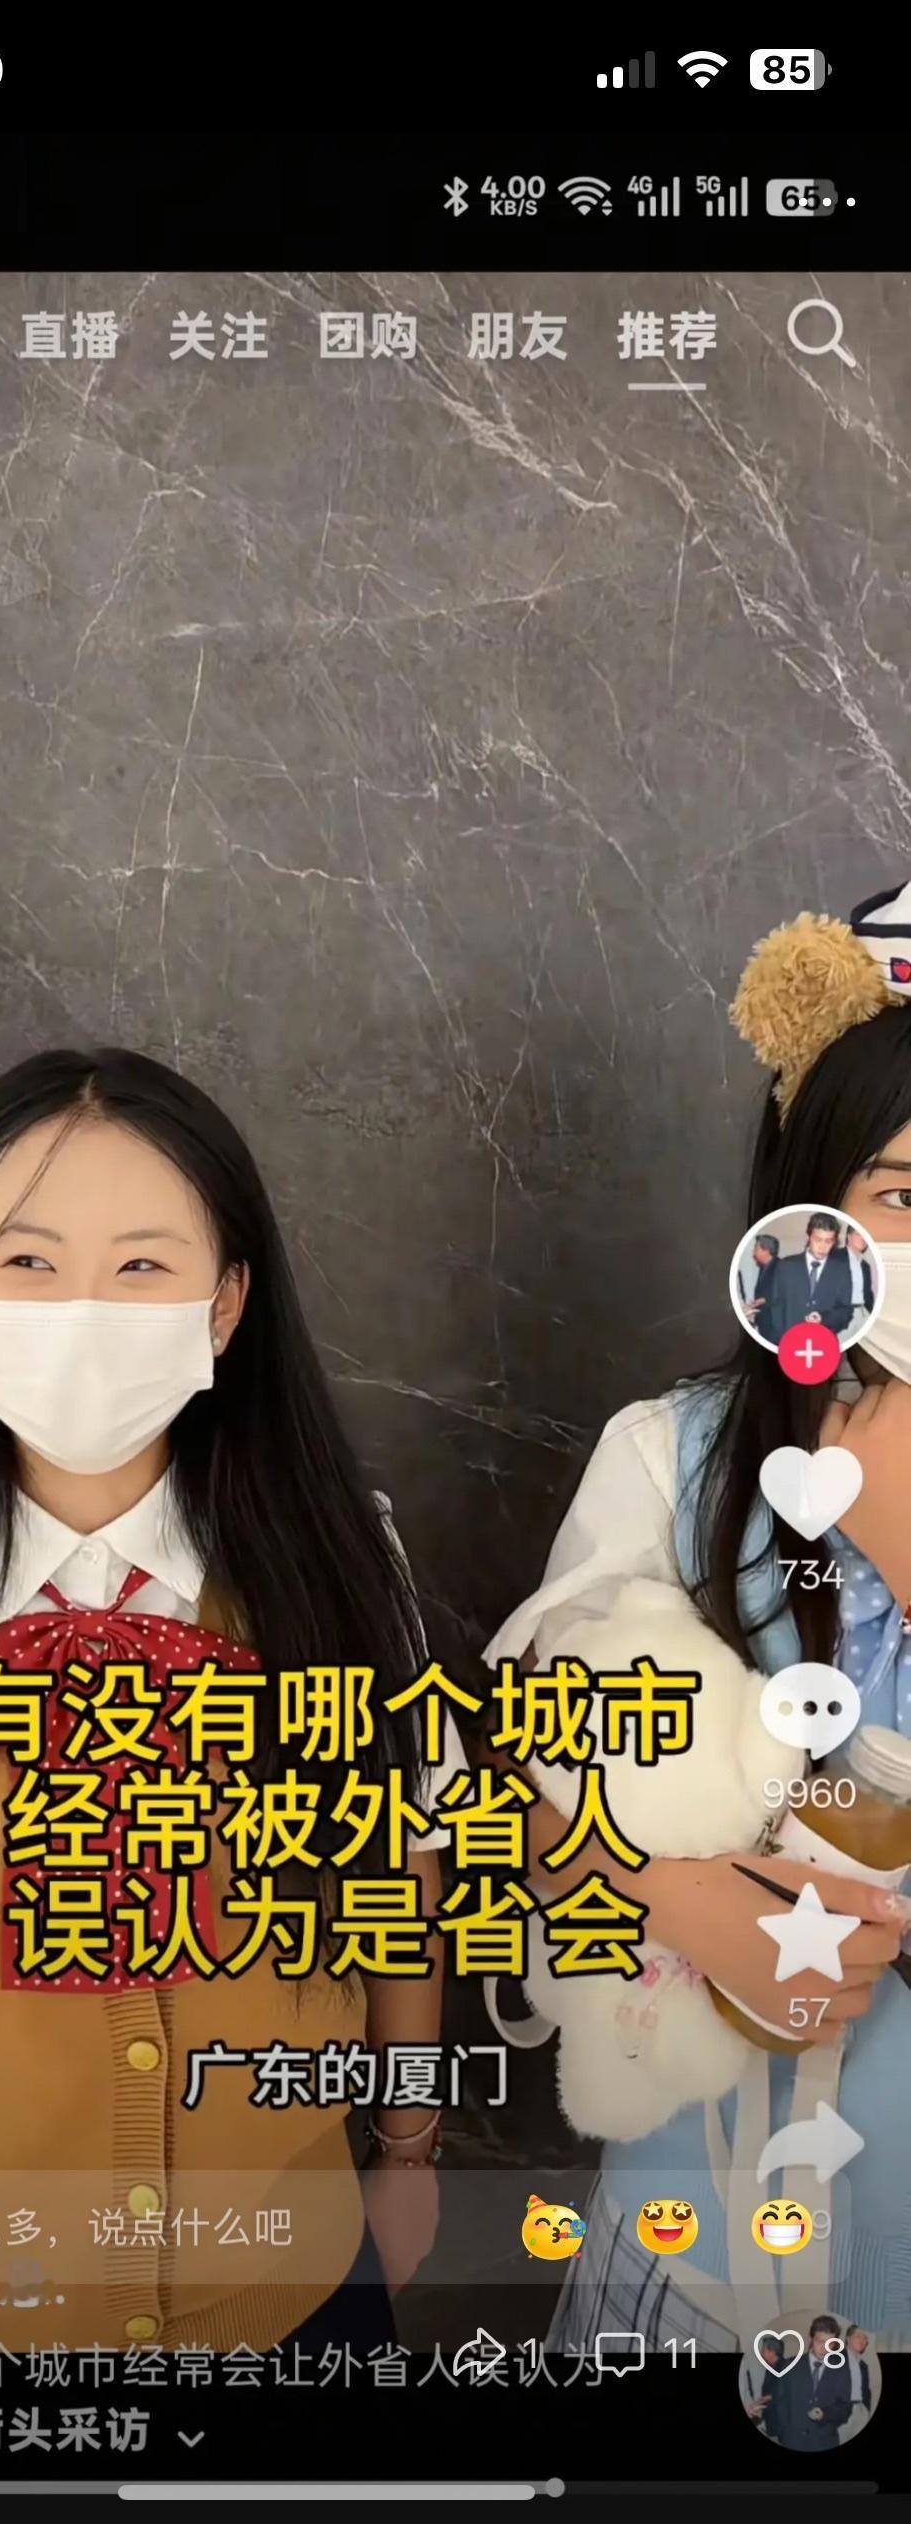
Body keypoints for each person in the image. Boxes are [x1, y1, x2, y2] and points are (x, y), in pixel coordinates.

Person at [0, 1048, 467, 2354]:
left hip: (293, 2302)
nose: (82, 1309)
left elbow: (398, 1885)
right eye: (28, 1261)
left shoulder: (348, 1582)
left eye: (141, 1266)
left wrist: (408, 2150)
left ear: (225, 1303)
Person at [486, 878, 911, 2358]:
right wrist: (676, 1900)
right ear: (809, 1210)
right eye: (901, 1193)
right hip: (695, 2255)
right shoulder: (674, 1460)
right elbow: (485, 1787)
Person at [762, 1212, 852, 1343]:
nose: (822, 1247)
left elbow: (846, 1311)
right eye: (818, 1240)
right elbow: (774, 1306)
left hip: (824, 1343)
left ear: (834, 1241)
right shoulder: (786, 1266)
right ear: (809, 1236)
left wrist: (823, 1318)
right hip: (788, 1342)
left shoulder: (842, 1270)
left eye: (828, 1241)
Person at [768, 2317, 852, 2452]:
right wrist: (784, 2433)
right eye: (820, 2341)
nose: (825, 2348)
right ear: (811, 2339)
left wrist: (825, 2414)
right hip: (792, 2441)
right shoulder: (789, 2365)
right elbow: (780, 2403)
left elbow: (845, 2409)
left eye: (830, 2343)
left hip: (825, 2443)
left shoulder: (841, 2370)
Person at [743, 2332, 783, 2437]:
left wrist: (761, 2401)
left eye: (763, 2351)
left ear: (771, 2351)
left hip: (778, 2428)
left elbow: (779, 2394)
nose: (761, 2354)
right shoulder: (771, 2368)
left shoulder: (783, 2369)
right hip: (768, 2424)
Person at [839, 2324, 874, 2441]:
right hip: (842, 2411)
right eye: (858, 2336)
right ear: (848, 2339)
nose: (863, 2340)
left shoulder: (863, 2365)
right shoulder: (836, 2358)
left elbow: (866, 2390)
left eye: (865, 2338)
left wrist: (866, 2410)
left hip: (860, 2410)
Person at [737, 1232, 779, 1328]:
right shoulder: (763, 1268)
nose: (753, 1252)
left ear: (766, 1250)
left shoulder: (781, 1267)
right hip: (763, 1321)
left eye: (756, 1249)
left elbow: (786, 1293)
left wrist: (765, 1300)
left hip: (774, 1323)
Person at [846, 1228, 876, 1339]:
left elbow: (868, 1292)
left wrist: (870, 1312)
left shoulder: (865, 1265)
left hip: (863, 1313)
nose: (863, 1238)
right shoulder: (835, 1259)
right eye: (858, 1234)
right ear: (849, 1236)